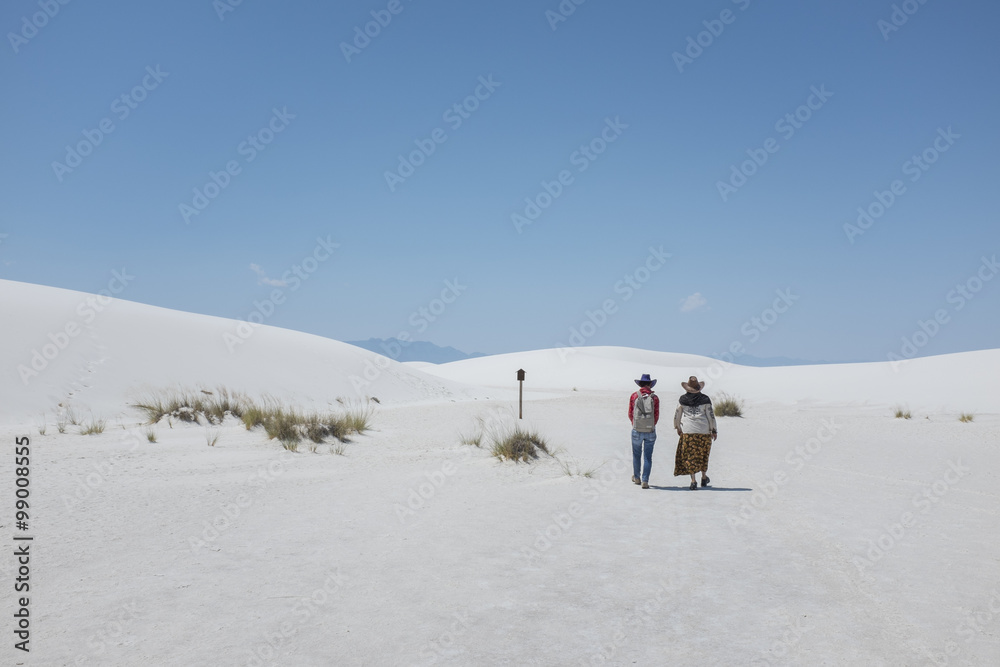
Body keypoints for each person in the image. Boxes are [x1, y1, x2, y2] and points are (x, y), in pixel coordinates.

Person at [673, 376, 717, 490]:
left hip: (688, 431)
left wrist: (677, 427)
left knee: (690, 456)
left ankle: (693, 480)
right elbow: (711, 416)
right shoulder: (705, 399)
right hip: (704, 431)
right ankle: (703, 477)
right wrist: (714, 430)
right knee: (703, 454)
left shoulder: (682, 399)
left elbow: (677, 415)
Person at [628, 373, 660, 489]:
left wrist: (635, 424)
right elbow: (656, 415)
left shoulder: (634, 396)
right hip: (650, 430)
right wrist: (650, 425)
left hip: (637, 429)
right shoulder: (654, 398)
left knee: (636, 455)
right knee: (648, 456)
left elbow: (630, 413)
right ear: (650, 384)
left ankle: (637, 477)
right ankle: (645, 480)